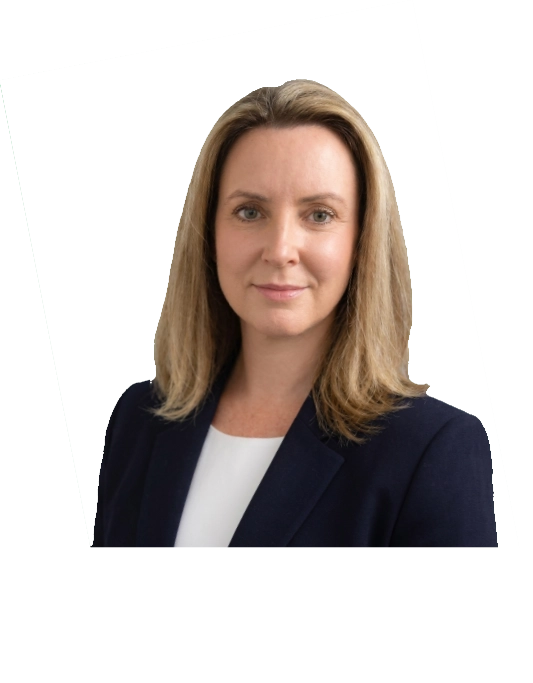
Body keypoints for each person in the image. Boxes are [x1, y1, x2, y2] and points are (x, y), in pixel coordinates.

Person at [90, 80, 497, 551]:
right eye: (249, 212)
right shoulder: (140, 419)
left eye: (319, 215)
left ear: (361, 241)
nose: (280, 249)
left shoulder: (434, 448)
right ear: (208, 232)